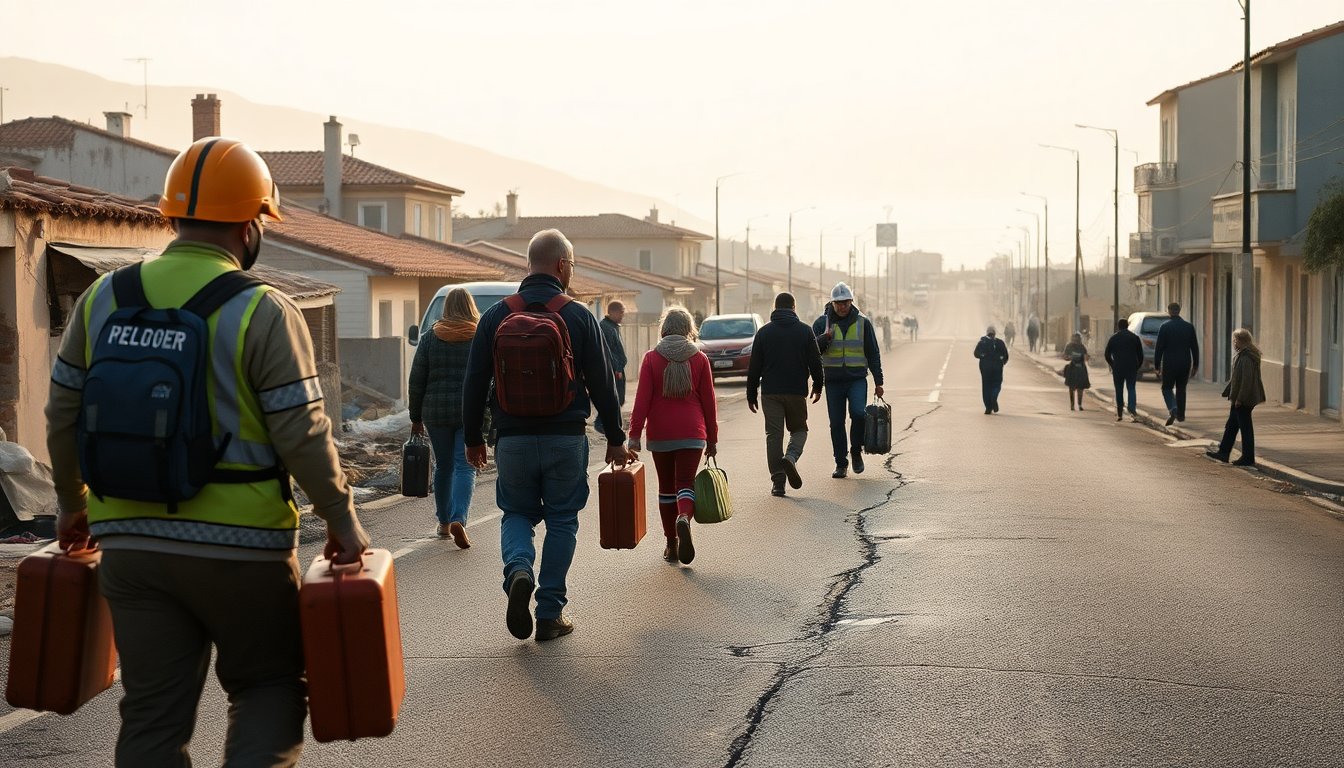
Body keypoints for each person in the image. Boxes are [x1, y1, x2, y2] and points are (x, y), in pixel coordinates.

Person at [45, 137, 370, 766]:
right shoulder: (263, 309)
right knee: (267, 687)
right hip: (241, 549)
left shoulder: (104, 297)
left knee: (151, 717)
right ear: (251, 226)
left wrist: (70, 502)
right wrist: (342, 519)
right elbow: (302, 432)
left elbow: (62, 413)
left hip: (130, 544)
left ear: (173, 216)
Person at [462, 229, 632, 643]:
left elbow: (472, 383)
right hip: (564, 437)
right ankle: (550, 613)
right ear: (561, 265)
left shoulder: (495, 316)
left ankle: (519, 570)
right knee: (561, 520)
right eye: (572, 264)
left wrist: (473, 438)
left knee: (516, 514)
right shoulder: (577, 316)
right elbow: (604, 383)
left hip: (513, 439)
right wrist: (615, 436)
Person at [627, 308, 718, 564]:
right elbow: (709, 403)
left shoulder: (651, 358)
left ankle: (671, 544)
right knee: (685, 485)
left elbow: (641, 400)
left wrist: (634, 436)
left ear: (664, 329)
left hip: (661, 434)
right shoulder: (699, 359)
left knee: (666, 489)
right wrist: (712, 439)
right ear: (689, 329)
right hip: (692, 433)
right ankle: (684, 518)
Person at [409, 287, 480, 547]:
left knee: (444, 466)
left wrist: (415, 417)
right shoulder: (478, 336)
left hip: (435, 412)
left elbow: (417, 380)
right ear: (471, 307)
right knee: (465, 465)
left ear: (446, 307)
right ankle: (459, 517)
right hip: (468, 411)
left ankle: (443, 522)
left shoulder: (429, 338)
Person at [747, 292, 824, 497]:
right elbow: (815, 362)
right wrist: (818, 385)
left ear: (775, 307)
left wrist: (751, 393)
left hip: (770, 392)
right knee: (799, 430)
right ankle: (790, 457)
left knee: (774, 436)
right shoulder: (805, 331)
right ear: (793, 308)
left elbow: (754, 366)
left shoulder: (763, 333)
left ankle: (778, 483)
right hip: (796, 392)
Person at [812, 282, 884, 479]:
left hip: (857, 379)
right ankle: (841, 463)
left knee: (858, 414)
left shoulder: (863, 323)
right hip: (833, 381)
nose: (842, 306)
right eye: (838, 303)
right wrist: (823, 339)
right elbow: (810, 352)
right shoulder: (821, 324)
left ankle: (856, 451)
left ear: (851, 302)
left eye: (845, 302)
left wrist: (879, 381)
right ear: (832, 303)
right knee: (836, 423)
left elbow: (873, 353)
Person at [1206, 328, 1267, 467]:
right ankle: (1223, 452)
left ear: (1241, 341)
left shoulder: (1246, 357)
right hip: (1240, 397)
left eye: (1235, 340)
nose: (1234, 343)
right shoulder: (1244, 354)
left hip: (1244, 399)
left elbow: (1246, 381)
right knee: (1232, 426)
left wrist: (1240, 399)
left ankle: (1248, 458)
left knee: (1245, 429)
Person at [1153, 301, 1200, 426]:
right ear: (1179, 311)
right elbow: (1194, 347)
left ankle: (1173, 408)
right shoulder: (1189, 327)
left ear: (1168, 311)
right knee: (1181, 389)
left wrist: (1156, 365)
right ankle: (1181, 415)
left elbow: (1159, 348)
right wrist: (1195, 365)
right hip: (1185, 362)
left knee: (1167, 388)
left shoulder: (1165, 327)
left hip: (1169, 363)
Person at [594, 300, 627, 434]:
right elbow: (607, 351)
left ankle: (608, 423)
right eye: (621, 313)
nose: (622, 316)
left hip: (617, 368)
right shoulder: (605, 327)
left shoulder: (613, 326)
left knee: (619, 398)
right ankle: (601, 423)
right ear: (612, 312)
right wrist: (616, 368)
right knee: (614, 398)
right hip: (613, 369)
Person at [1104, 318, 1144, 422]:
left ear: (1118, 326)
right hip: (1131, 367)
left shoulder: (1113, 338)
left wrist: (1112, 364)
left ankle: (1120, 413)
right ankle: (1132, 410)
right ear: (1127, 326)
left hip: (1118, 367)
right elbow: (1140, 355)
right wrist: (1137, 366)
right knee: (1131, 388)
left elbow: (1107, 354)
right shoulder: (1134, 338)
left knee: (1119, 389)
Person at [974, 325, 1010, 414]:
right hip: (997, 368)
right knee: (996, 384)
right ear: (995, 333)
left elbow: (976, 353)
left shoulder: (982, 342)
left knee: (986, 386)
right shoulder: (1000, 343)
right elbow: (1006, 355)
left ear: (987, 333)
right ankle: (994, 397)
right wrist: (1002, 362)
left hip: (985, 369)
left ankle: (988, 407)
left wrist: (982, 356)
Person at [1063, 332, 1091, 411]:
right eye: (1074, 339)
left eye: (1077, 339)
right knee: (1072, 387)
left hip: (1081, 368)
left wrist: (1086, 357)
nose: (1076, 340)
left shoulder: (1082, 347)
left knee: (1080, 388)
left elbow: (1086, 356)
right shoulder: (1069, 346)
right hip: (1073, 368)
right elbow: (1064, 356)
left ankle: (1079, 404)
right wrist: (1069, 357)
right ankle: (1072, 405)